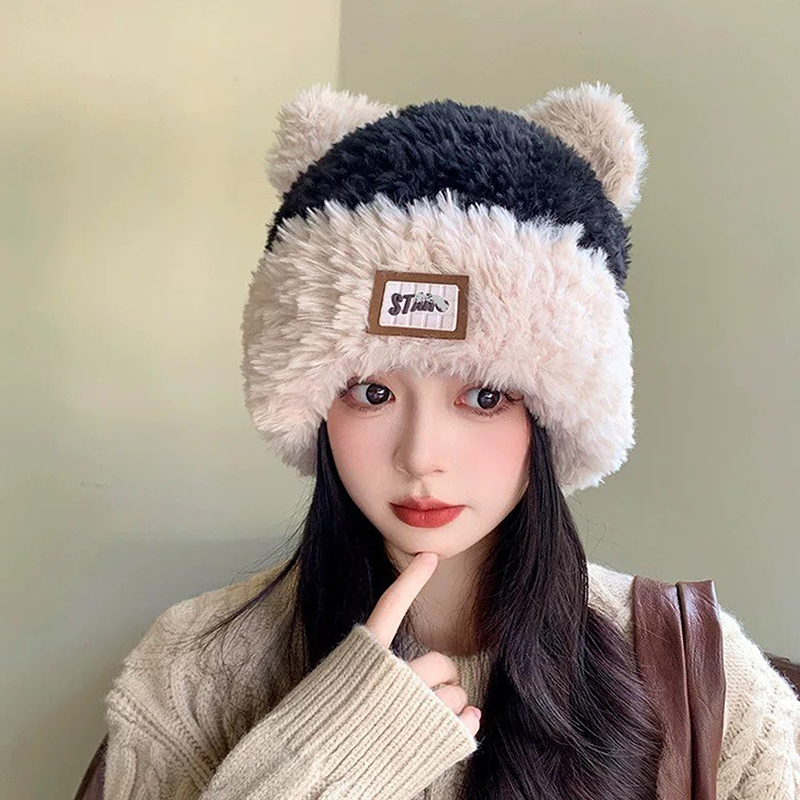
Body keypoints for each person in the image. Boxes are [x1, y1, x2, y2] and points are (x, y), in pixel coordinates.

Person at [101, 83, 800, 800]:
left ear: (555, 418)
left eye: (485, 396)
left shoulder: (700, 673)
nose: (420, 455)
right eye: (372, 393)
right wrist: (318, 764)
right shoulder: (193, 664)